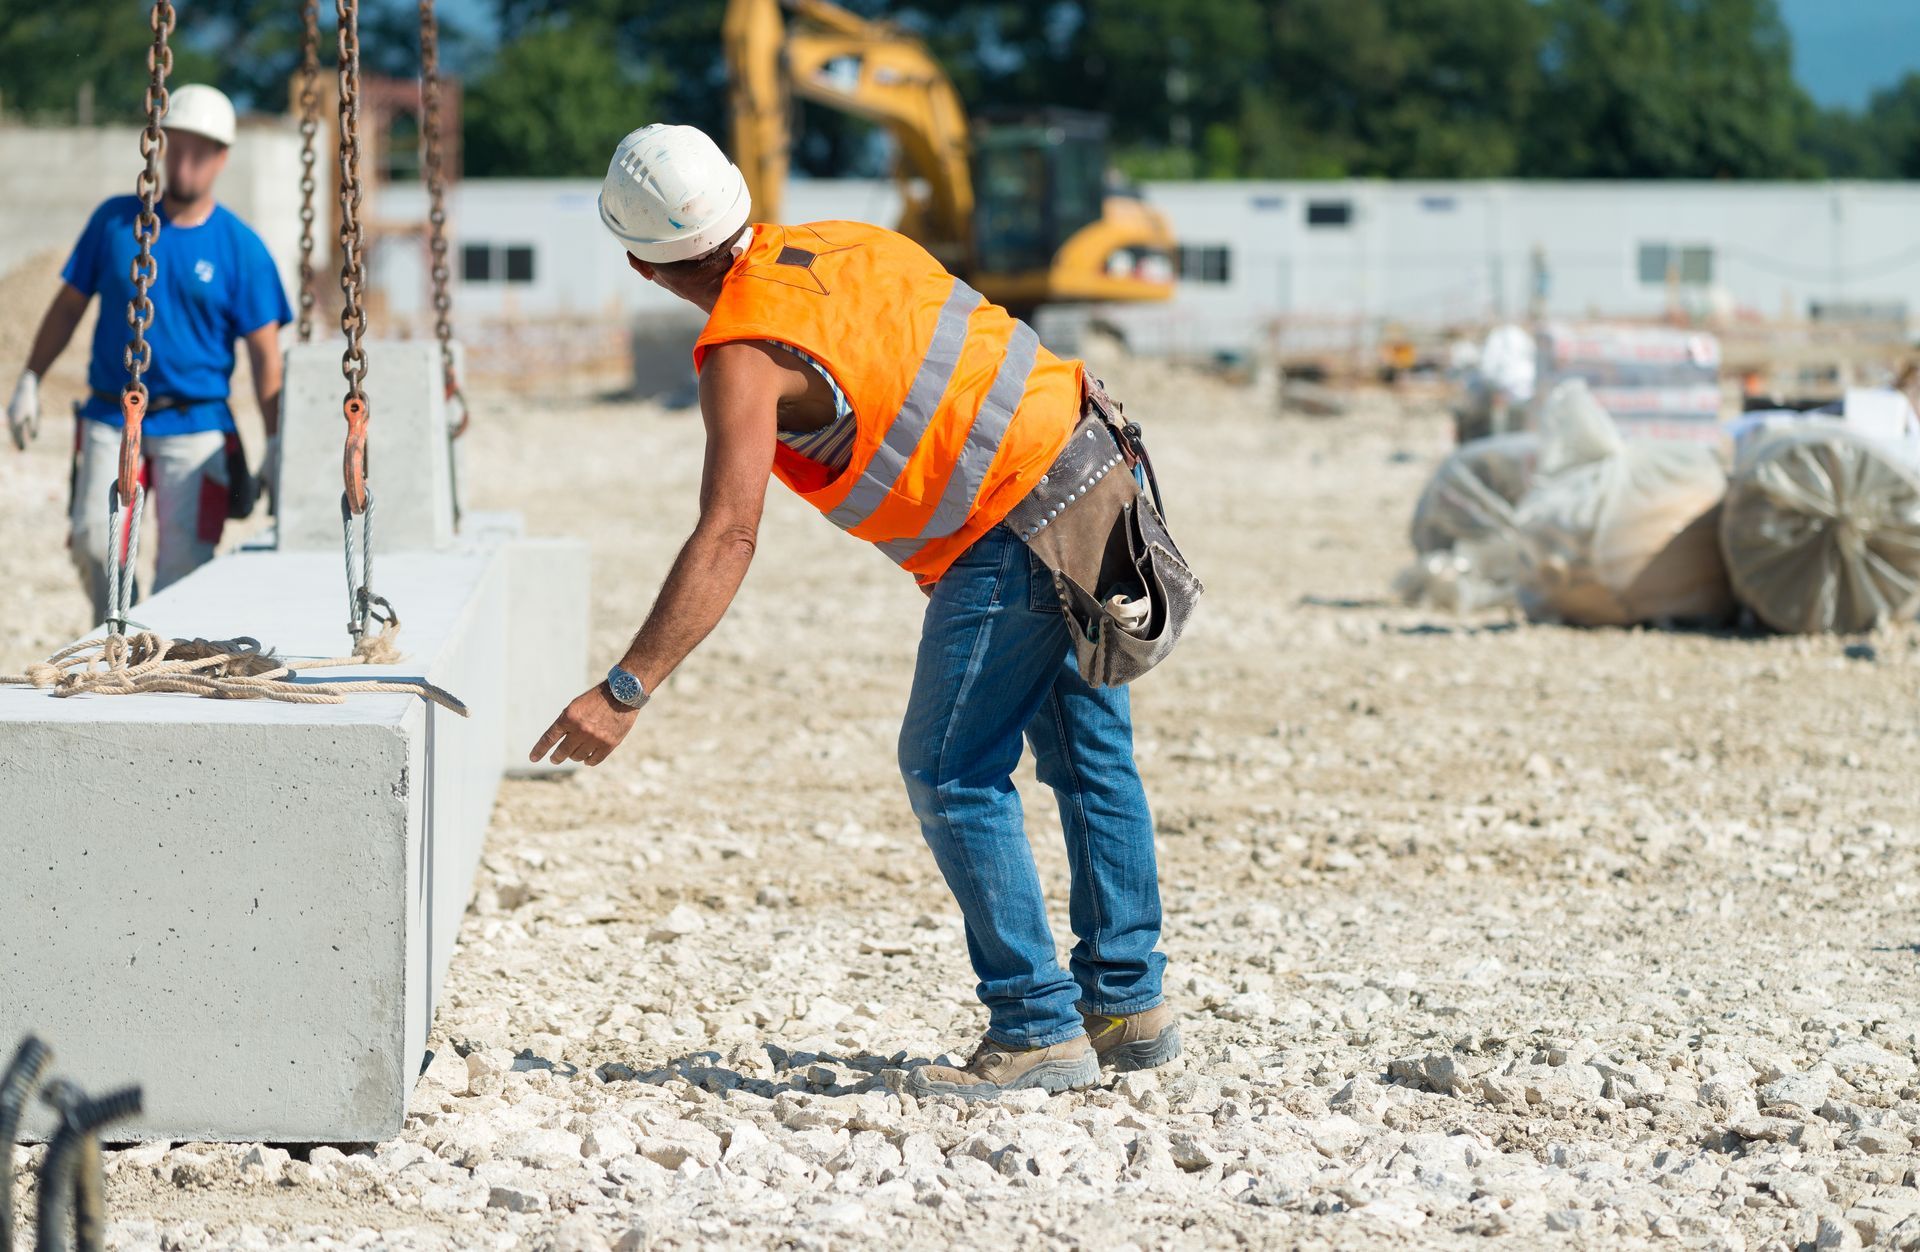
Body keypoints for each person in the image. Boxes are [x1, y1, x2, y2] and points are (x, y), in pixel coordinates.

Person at [530, 124, 1179, 1100]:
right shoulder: (845, 242)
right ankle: (1129, 1004)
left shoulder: (743, 351)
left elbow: (728, 535)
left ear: (643, 265)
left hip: (1011, 526)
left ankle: (1038, 1027)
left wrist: (627, 688)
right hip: (1098, 462)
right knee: (1091, 756)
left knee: (950, 768)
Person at [7, 84, 293, 623]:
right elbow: (67, 306)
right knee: (96, 543)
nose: (186, 162)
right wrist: (29, 379)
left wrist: (276, 442)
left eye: (200, 151)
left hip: (196, 422)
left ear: (221, 159)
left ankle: (159, 657)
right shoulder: (116, 225)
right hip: (109, 414)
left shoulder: (241, 248)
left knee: (182, 571)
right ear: (160, 146)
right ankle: (115, 631)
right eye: (177, 146)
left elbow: (265, 356)